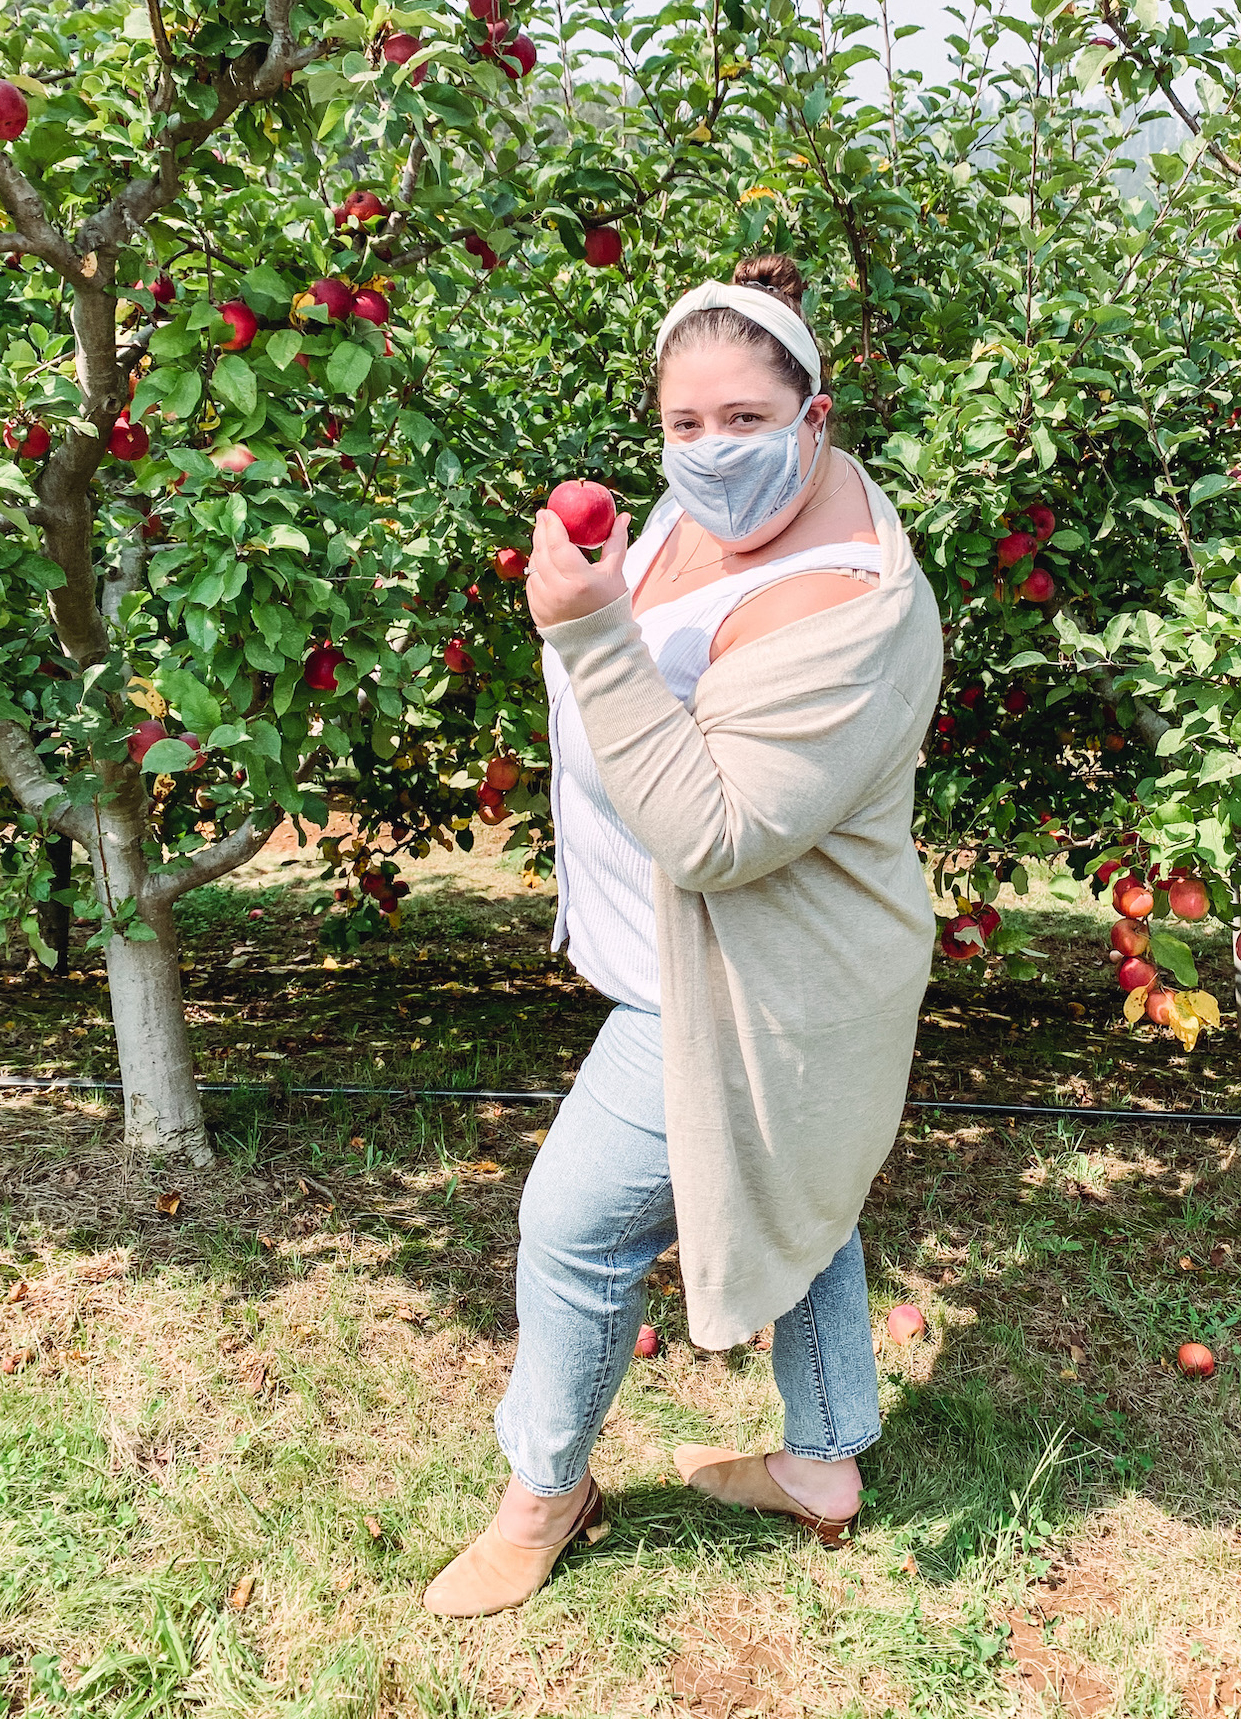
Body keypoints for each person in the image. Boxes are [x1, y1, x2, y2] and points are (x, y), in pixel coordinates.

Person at [424, 254, 943, 1617]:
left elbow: (717, 836)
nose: (710, 454)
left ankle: (544, 1496)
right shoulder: (721, 511)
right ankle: (825, 1467)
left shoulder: (839, 604)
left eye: (747, 421)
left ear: (816, 418)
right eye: (682, 425)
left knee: (575, 1228)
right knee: (799, 1193)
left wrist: (590, 635)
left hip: (750, 984)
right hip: (713, 960)